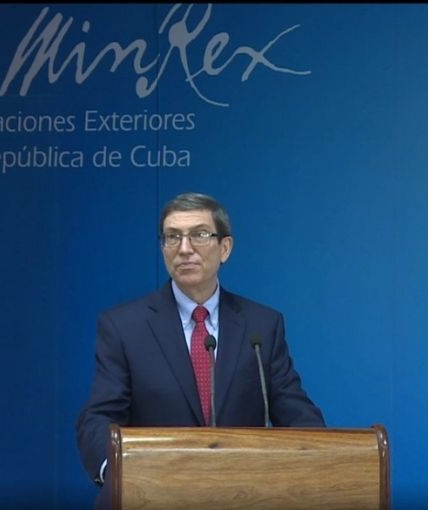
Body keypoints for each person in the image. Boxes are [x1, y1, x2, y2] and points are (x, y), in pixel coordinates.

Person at [75, 192, 325, 504]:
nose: (184, 248)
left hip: (243, 496)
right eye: (172, 237)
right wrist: (120, 474)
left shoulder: (262, 325)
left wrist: (321, 458)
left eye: (199, 235)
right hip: (152, 496)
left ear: (225, 248)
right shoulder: (124, 326)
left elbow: (296, 413)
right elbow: (99, 418)